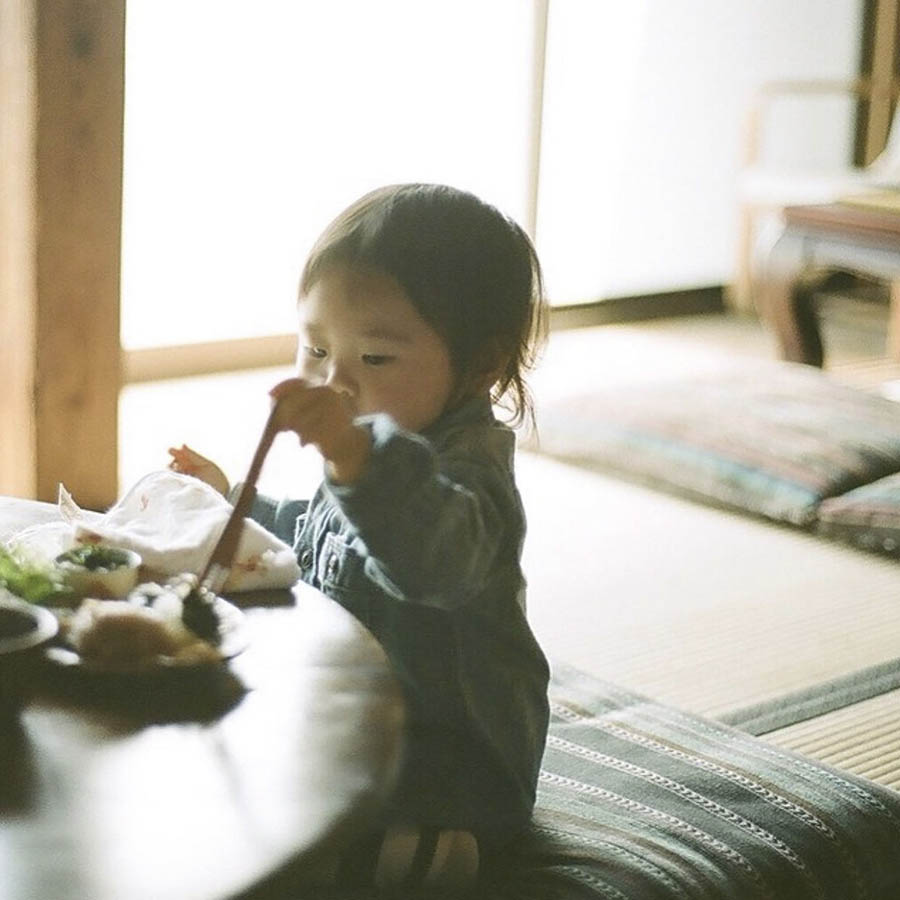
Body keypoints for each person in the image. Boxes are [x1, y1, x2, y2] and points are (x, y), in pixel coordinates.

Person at [169, 183, 550, 894]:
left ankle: (446, 854)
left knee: (306, 860)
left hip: (449, 767)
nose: (335, 380)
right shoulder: (374, 453)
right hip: (356, 729)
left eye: (374, 359)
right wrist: (231, 499)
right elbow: (316, 536)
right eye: (315, 348)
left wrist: (354, 455)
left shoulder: (466, 470)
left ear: (481, 365)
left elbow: (432, 563)